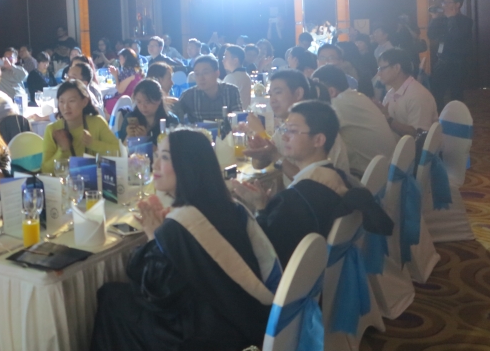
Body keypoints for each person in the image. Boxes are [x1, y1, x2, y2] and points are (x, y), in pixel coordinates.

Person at [90, 129, 272, 350]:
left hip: (205, 336)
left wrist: (153, 237)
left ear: (188, 166)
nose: (155, 164)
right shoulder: (231, 206)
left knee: (110, 298)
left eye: (165, 157)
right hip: (243, 319)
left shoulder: (181, 225)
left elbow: (156, 293)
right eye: (157, 155)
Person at [233, 101, 392, 267]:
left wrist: (260, 207)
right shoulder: (343, 179)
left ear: (318, 140)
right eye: (285, 129)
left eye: (293, 131)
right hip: (320, 274)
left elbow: (264, 253)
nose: (284, 136)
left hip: (287, 277)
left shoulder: (295, 200)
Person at [313, 65, 397, 175]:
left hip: (369, 176)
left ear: (331, 92)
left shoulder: (337, 105)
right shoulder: (358, 96)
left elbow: (316, 136)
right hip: (388, 169)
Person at [41, 80, 119, 175]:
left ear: (84, 102)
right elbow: (45, 170)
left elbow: (119, 152)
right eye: (61, 101)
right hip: (64, 182)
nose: (66, 107)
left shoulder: (97, 122)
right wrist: (62, 150)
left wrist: (92, 143)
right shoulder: (53, 129)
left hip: (95, 180)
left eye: (71, 101)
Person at [377, 48, 439, 136]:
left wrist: (389, 120)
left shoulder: (418, 95)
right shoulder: (391, 93)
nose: (379, 73)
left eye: (382, 68)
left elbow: (419, 135)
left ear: (397, 68)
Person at [428, 0, 473, 110]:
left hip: (457, 63)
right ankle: (440, 115)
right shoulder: (442, 20)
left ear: (458, 4)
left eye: (448, 2)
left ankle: (455, 117)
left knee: (456, 94)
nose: (445, 5)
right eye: (444, 2)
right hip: (442, 61)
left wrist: (452, 18)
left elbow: (456, 36)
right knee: (436, 91)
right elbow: (431, 35)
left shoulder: (466, 21)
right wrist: (434, 18)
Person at [173, 55, 241, 123]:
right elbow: (175, 118)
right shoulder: (189, 95)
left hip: (226, 130)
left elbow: (238, 120)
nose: (201, 78)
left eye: (205, 73)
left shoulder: (231, 91)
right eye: (197, 74)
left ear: (217, 73)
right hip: (198, 130)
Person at [117, 79, 178, 146]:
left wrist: (145, 139)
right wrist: (129, 136)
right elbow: (122, 148)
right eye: (139, 102)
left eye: (147, 102)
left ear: (159, 100)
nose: (143, 106)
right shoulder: (130, 117)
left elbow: (170, 150)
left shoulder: (170, 121)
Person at [104, 48, 144, 115]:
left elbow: (120, 90)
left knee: (105, 101)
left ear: (125, 58)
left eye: (120, 58)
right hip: (132, 100)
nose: (119, 61)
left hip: (124, 101)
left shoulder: (127, 71)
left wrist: (115, 75)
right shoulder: (137, 70)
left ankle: (112, 121)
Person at [222, 44, 252, 110]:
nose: (223, 60)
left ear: (235, 60)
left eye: (225, 57)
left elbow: (222, 100)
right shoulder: (246, 75)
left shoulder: (231, 78)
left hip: (233, 114)